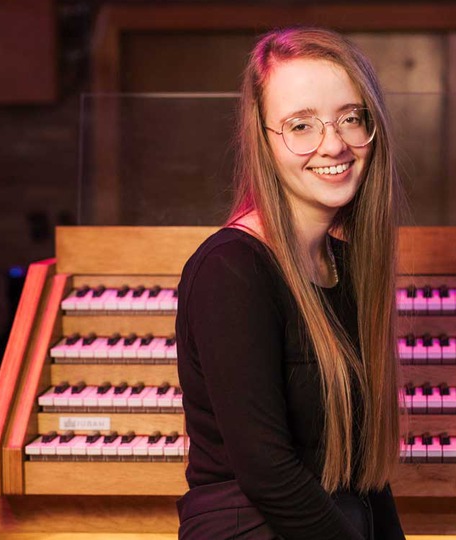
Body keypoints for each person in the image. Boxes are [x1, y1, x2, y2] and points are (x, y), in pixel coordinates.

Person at [175, 27, 405, 539]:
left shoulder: (345, 264)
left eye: (351, 117)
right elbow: (268, 473)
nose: (334, 144)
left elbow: (363, 476)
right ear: (263, 140)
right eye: (301, 125)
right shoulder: (231, 269)